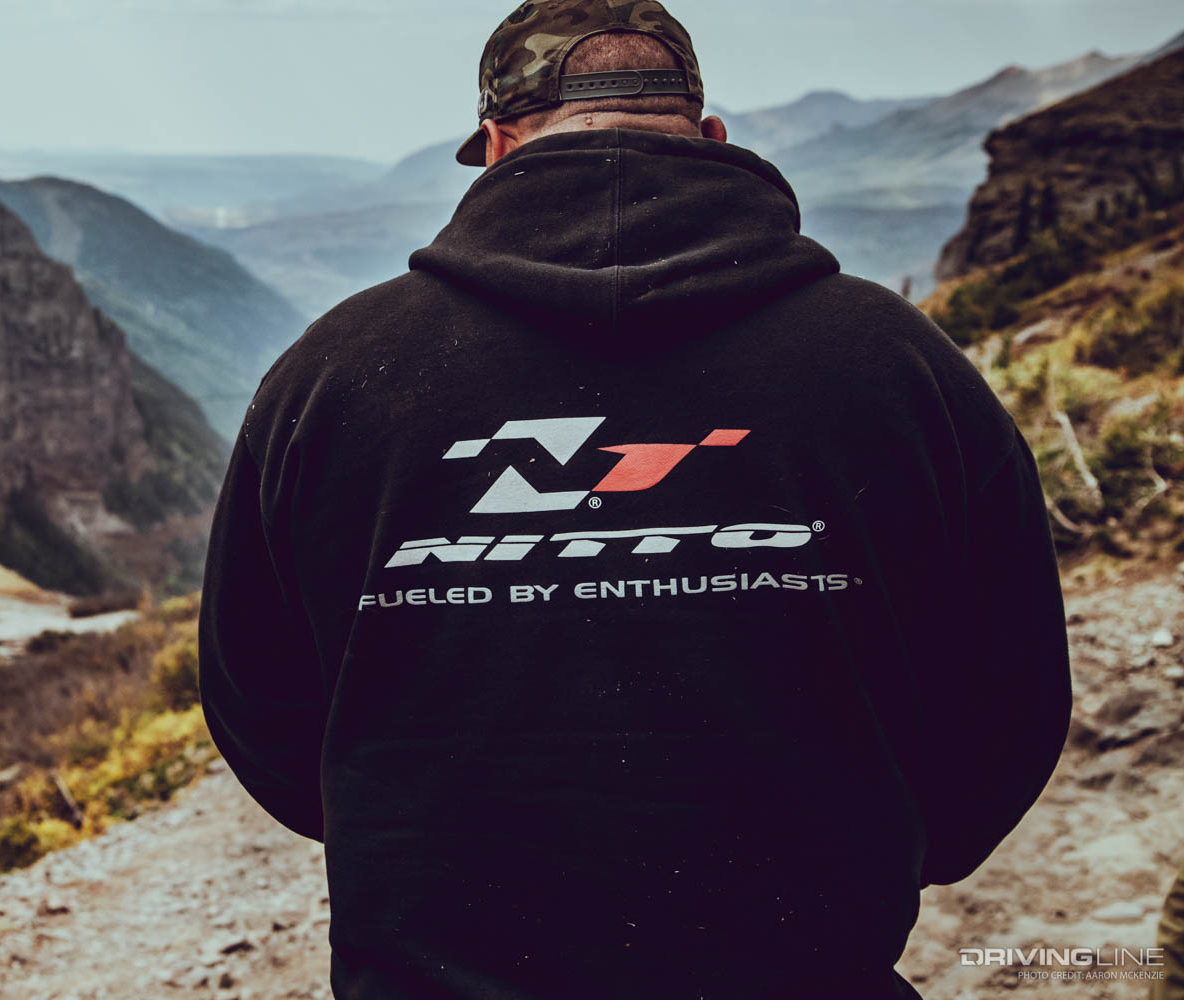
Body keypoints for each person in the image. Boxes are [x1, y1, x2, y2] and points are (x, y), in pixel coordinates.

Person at [197, 1, 1074, 997]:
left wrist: (405, 841)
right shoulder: (897, 366)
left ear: (494, 144)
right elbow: (1008, 694)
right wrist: (868, 860)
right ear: (709, 138)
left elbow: (257, 702)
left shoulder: (332, 377)